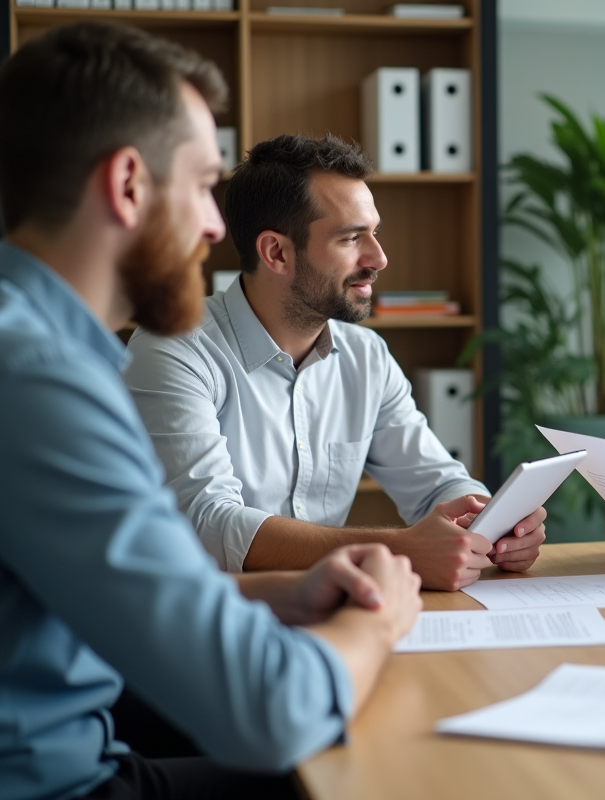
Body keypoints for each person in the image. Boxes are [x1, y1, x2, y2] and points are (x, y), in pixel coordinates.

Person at [0, 22, 422, 800]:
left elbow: (118, 586)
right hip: (58, 781)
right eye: (201, 184)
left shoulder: (41, 349)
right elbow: (271, 713)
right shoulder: (41, 380)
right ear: (128, 184)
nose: (215, 226)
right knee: (391, 770)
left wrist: (284, 591)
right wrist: (378, 621)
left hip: (83, 736)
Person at [123, 133, 545, 591]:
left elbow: (434, 483)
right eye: (351, 238)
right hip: (206, 620)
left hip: (335, 610)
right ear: (276, 252)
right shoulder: (174, 349)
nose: (379, 258)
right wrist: (399, 550)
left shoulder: (366, 356)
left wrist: (491, 525)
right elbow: (207, 523)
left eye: (374, 233)